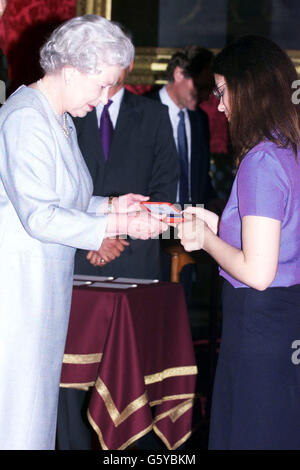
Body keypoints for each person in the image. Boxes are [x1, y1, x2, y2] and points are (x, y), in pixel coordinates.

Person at [0, 15, 168, 450]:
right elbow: (40, 216)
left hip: (47, 292)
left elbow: (69, 202)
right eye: (102, 84)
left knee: (36, 418)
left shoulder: (61, 118)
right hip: (20, 295)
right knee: (18, 419)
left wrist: (115, 205)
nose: (106, 96)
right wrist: (117, 223)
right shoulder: (24, 117)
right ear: (72, 72)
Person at [178, 35, 300, 449]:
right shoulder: (288, 150)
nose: (221, 105)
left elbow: (258, 272)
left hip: (258, 327)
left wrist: (206, 239)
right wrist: (218, 223)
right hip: (284, 320)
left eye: (224, 91)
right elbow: (279, 234)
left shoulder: (261, 161)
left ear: (249, 89)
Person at [73, 56, 178, 279]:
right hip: (78, 253)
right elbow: (61, 188)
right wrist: (94, 237)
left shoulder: (154, 115)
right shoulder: (72, 112)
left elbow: (165, 186)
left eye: (118, 58)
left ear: (129, 64)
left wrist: (118, 234)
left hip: (134, 255)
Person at [146, 46, 218, 209]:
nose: (205, 96)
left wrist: (214, 201)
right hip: (151, 219)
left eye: (209, 89)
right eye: (200, 86)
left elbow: (200, 176)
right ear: (179, 74)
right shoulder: (141, 113)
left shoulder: (200, 119)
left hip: (192, 218)